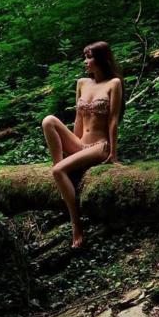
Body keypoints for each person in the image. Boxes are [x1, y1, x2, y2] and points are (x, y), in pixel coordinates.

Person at [41, 41, 124, 249]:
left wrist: (113, 154)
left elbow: (113, 120)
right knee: (48, 120)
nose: (85, 62)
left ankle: (76, 224)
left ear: (101, 59)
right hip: (81, 143)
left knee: (58, 171)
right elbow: (78, 119)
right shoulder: (82, 83)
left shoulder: (114, 83)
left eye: (89, 57)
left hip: (99, 146)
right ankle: (62, 167)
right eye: (85, 57)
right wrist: (74, 147)